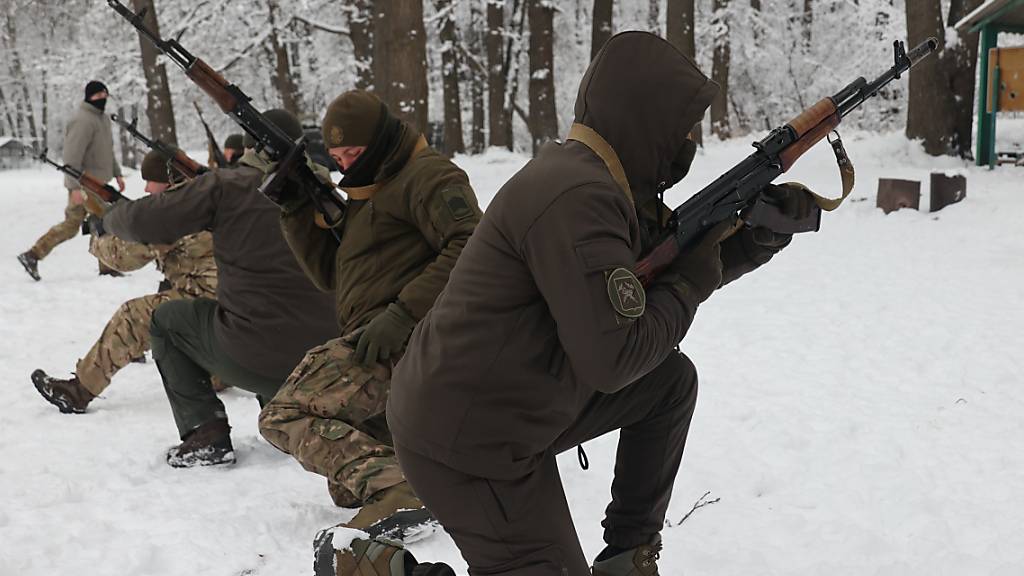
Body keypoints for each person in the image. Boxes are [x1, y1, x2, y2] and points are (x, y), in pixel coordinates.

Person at [326, 32, 819, 575]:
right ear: (643, 120)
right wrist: (689, 285)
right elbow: (613, 359)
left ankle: (628, 559)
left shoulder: (601, 183)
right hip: (466, 439)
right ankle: (372, 568)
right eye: (681, 128)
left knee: (667, 383)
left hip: (517, 401)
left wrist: (755, 240)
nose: (688, 141)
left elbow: (641, 292)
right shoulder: (579, 198)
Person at [257, 91, 481, 523]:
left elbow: (473, 246)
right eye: (337, 155)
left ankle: (401, 489)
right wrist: (298, 209)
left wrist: (403, 314)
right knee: (348, 488)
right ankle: (418, 482)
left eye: (353, 152)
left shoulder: (428, 176)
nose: (344, 163)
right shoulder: (368, 187)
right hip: (375, 340)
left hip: (409, 340)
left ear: (379, 140)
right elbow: (332, 275)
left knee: (283, 415)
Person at [101, 109, 338, 468]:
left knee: (167, 320)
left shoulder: (230, 187)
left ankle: (205, 434)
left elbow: (141, 221)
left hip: (257, 357)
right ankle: (280, 406)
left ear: (249, 147)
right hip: (328, 363)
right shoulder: (329, 193)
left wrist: (108, 216)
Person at [31, 150, 218, 414]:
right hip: (239, 310)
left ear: (167, 181)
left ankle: (79, 391)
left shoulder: (172, 215)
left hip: (216, 312)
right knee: (168, 292)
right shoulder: (207, 198)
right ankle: (215, 373)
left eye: (150, 180)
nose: (145, 187)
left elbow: (122, 258)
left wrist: (100, 232)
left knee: (134, 316)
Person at [18, 80, 125, 281]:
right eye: (98, 95)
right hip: (85, 185)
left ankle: (32, 255)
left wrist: (117, 173)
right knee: (105, 222)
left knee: (74, 225)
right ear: (89, 96)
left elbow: (107, 151)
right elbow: (71, 157)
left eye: (105, 95)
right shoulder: (82, 120)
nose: (102, 98)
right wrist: (74, 187)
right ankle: (108, 267)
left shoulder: (102, 119)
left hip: (100, 183)